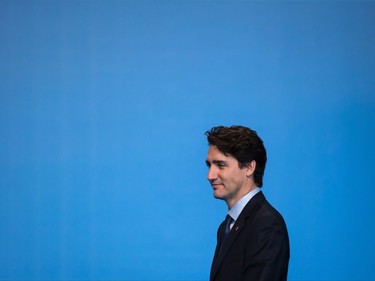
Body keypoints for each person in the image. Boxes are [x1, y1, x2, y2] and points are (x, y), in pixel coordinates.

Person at [205, 125, 290, 281]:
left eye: (220, 165)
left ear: (249, 167)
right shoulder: (226, 226)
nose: (210, 175)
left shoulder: (267, 224)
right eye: (209, 165)